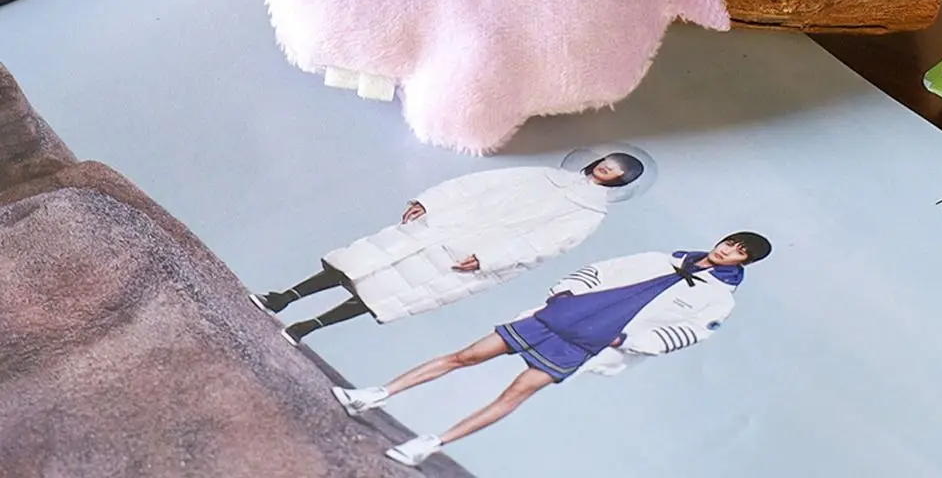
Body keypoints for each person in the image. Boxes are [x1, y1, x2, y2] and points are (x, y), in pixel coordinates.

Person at [332, 231, 772, 467]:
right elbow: (600, 270)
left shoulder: (719, 299)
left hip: (589, 344)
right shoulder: (661, 258)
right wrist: (565, 293)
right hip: (557, 317)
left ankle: (429, 444)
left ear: (745, 263)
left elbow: (688, 333)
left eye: (740, 252)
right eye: (730, 242)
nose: (728, 251)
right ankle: (373, 395)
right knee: (466, 356)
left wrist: (628, 341)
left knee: (515, 394)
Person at [249, 154, 645, 344]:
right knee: (357, 263)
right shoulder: (543, 175)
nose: (607, 168)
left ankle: (308, 327)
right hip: (445, 224)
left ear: (622, 180)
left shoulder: (588, 213)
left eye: (617, 170)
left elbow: (547, 244)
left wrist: (490, 258)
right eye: (608, 162)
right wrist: (430, 203)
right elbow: (477, 185)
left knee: (384, 291)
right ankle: (283, 298)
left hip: (472, 254)